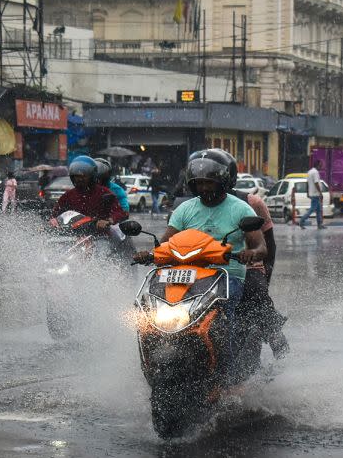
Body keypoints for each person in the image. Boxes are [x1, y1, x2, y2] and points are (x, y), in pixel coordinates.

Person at [134, 149, 267, 385]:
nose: (204, 188)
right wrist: (150, 254)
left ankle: (228, 376)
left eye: (209, 182)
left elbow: (260, 247)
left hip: (226, 275)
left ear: (223, 182)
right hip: (184, 274)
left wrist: (250, 253)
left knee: (225, 318)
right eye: (200, 183)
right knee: (150, 312)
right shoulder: (185, 209)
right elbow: (166, 242)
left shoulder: (240, 209)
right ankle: (151, 365)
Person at [231, 187, 290, 359]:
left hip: (248, 268)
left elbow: (269, 246)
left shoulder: (251, 203)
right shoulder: (189, 206)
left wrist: (266, 279)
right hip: (206, 270)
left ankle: (279, 349)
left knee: (258, 299)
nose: (205, 188)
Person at [51, 156, 128, 230]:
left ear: (92, 176)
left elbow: (119, 212)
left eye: (84, 176)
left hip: (100, 235)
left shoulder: (104, 192)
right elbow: (56, 212)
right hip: (73, 235)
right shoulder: (68, 195)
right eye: (77, 176)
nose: (80, 179)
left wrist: (109, 221)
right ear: (72, 177)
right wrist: (51, 222)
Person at [298, 159, 325, 229]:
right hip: (315, 194)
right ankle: (301, 221)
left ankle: (319, 225)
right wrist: (320, 193)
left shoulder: (309, 172)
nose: (321, 167)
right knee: (312, 209)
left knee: (319, 210)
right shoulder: (315, 172)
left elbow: (307, 183)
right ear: (317, 165)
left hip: (312, 193)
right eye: (320, 166)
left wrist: (307, 192)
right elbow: (316, 183)